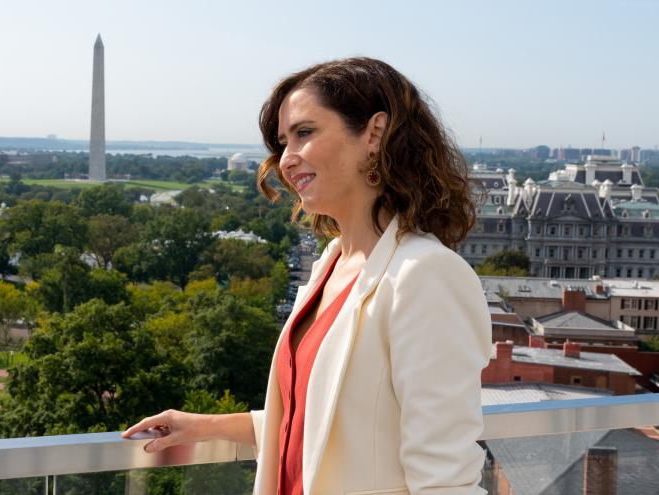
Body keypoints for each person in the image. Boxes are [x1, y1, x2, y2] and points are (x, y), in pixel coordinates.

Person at [123, 57, 492, 495]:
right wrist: (202, 426)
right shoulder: (332, 263)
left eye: (304, 133)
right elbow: (320, 424)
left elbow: (445, 481)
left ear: (375, 134)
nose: (285, 160)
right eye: (282, 142)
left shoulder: (426, 275)